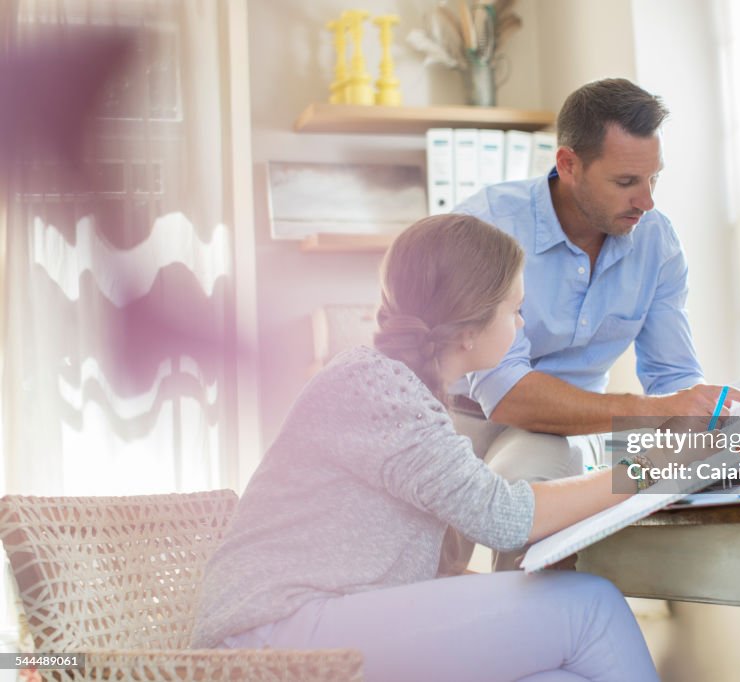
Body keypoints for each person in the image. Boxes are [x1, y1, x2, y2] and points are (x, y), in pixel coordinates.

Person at [191, 214, 661, 682]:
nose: (522, 323)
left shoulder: (399, 390)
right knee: (592, 607)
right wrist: (655, 466)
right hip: (269, 635)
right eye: (513, 309)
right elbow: (505, 516)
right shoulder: (376, 385)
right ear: (468, 330)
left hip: (313, 621)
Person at [447, 78, 740, 569]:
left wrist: (704, 420)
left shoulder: (656, 243)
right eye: (626, 182)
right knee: (427, 574)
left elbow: (674, 376)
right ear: (568, 164)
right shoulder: (489, 225)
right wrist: (654, 410)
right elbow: (507, 393)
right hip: (456, 418)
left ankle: (527, 637)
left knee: (531, 490)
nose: (646, 201)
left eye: (654, 179)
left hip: (558, 430)